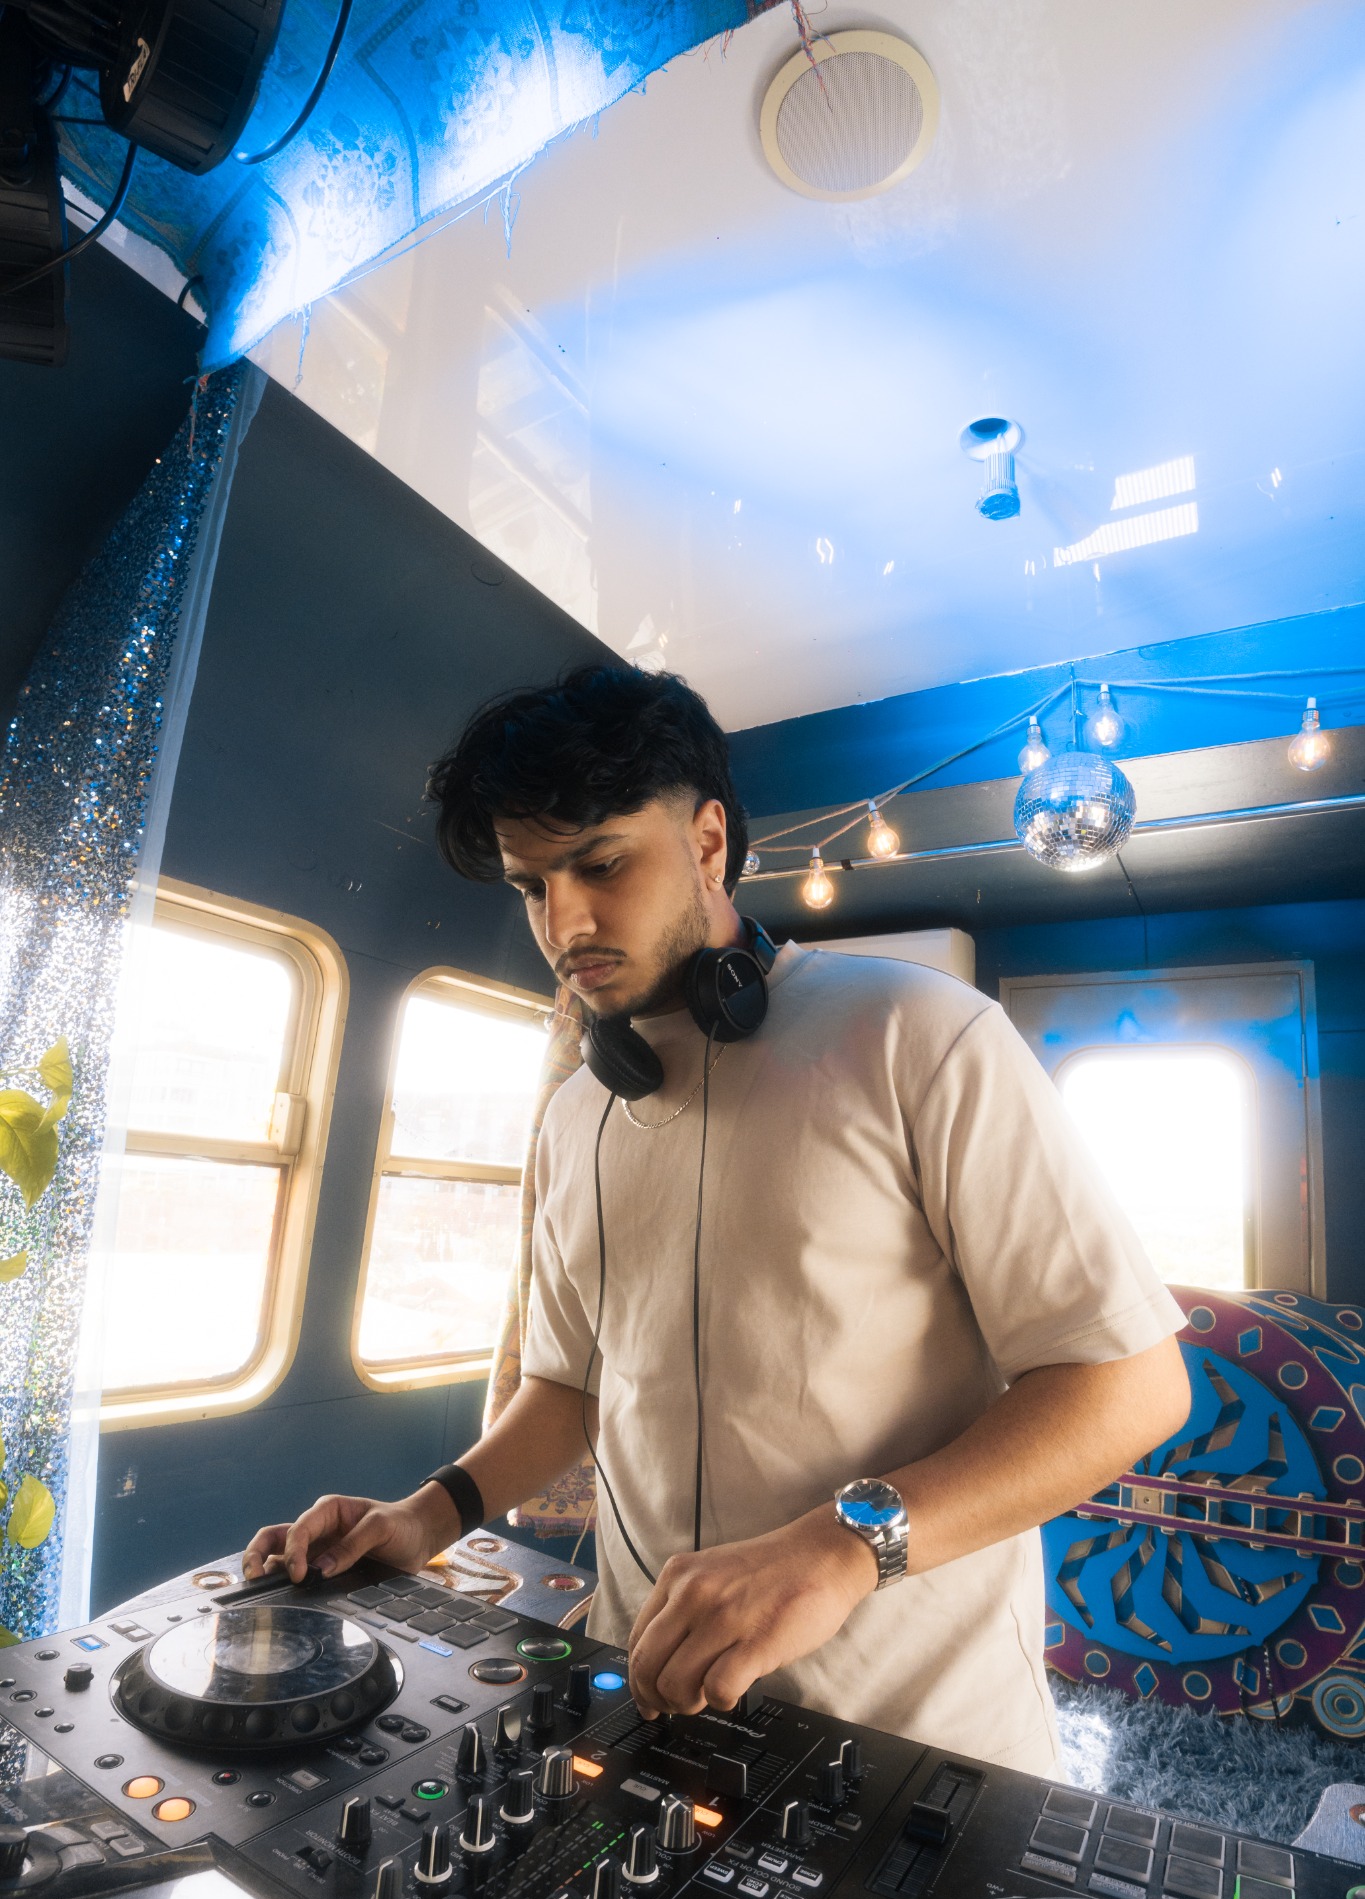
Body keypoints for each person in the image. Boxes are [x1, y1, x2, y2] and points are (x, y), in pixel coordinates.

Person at [244, 665, 1190, 1775]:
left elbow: (1129, 1384)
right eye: (530, 884)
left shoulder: (922, 1036)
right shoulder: (574, 1114)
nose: (565, 922)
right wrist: (429, 1513)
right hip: (644, 1705)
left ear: (705, 840)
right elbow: (571, 1387)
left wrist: (839, 1549)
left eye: (601, 864)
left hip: (915, 1746)